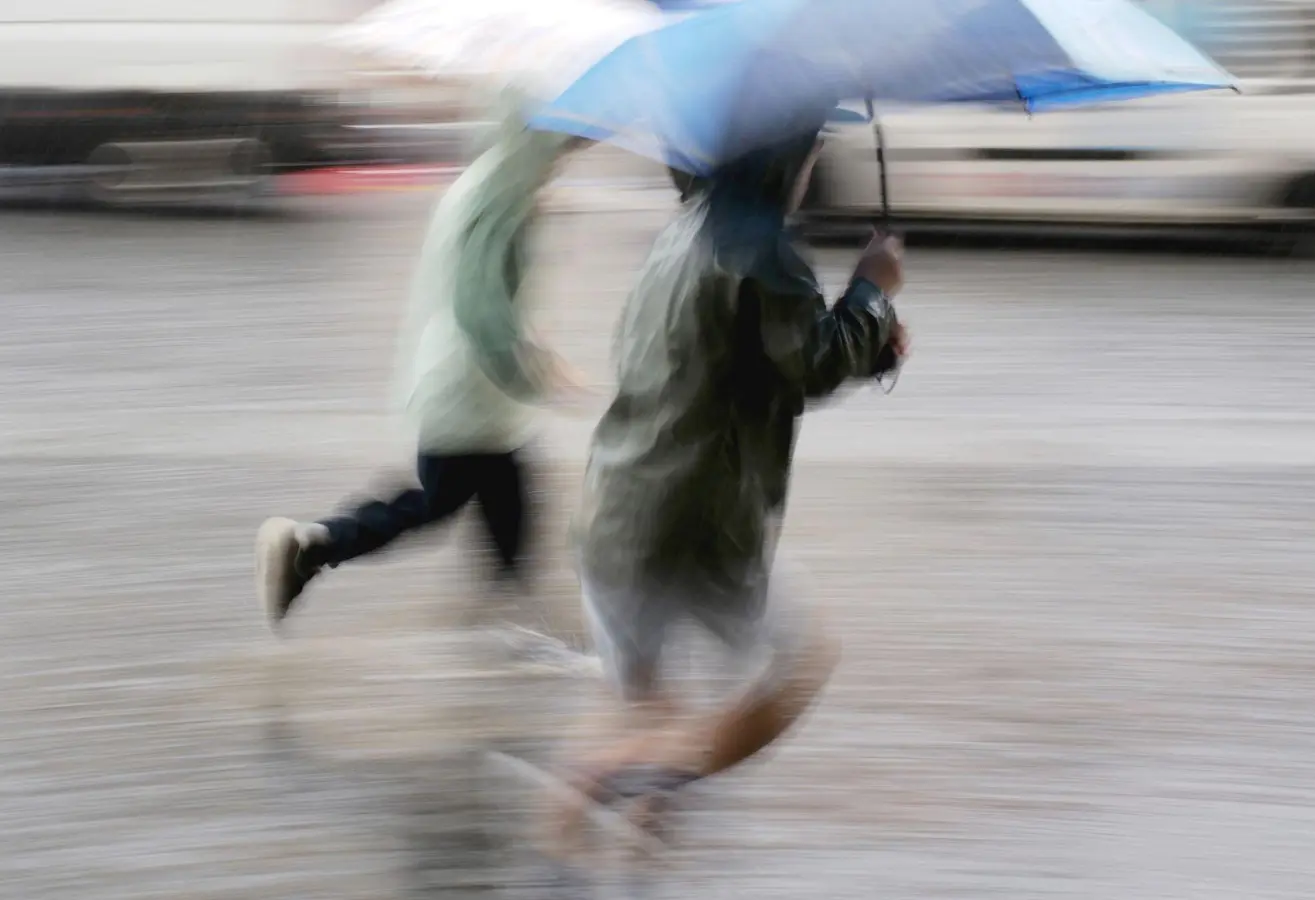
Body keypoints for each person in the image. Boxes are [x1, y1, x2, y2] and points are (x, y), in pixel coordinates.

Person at [555, 120, 908, 837]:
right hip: (692, 524)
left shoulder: (680, 234)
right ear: (778, 153)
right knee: (803, 663)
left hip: (614, 517)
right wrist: (873, 290)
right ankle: (615, 782)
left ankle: (582, 841)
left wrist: (871, 344)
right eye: (808, 147)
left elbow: (743, 360)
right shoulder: (759, 248)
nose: (811, 164)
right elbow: (809, 362)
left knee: (646, 715)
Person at [254, 87, 588, 632]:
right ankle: (310, 546)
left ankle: (509, 622)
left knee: (509, 499)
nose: (569, 154)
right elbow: (482, 308)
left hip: (472, 390)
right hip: (470, 388)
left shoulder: (492, 182)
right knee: (440, 501)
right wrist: (533, 370)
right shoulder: (503, 196)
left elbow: (493, 293)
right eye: (564, 143)